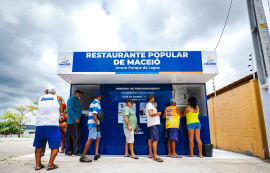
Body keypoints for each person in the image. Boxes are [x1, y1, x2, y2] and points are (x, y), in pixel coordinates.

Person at [33, 86, 63, 170]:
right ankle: (50, 164)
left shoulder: (40, 98)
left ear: (46, 91)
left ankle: (38, 165)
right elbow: (61, 110)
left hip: (40, 124)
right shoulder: (57, 97)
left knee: (38, 146)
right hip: (52, 124)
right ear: (54, 92)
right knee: (55, 146)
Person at [80, 91, 102, 162]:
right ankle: (83, 156)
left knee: (98, 137)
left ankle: (96, 154)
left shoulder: (92, 103)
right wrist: (97, 125)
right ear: (99, 96)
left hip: (93, 123)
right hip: (94, 124)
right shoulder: (96, 103)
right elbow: (94, 115)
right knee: (90, 139)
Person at [66, 90, 88, 157]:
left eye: (81, 94)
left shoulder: (75, 100)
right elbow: (69, 109)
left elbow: (77, 111)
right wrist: (75, 118)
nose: (80, 95)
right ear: (76, 93)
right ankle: (75, 152)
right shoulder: (71, 99)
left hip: (73, 121)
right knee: (77, 136)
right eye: (79, 94)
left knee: (71, 137)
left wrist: (83, 115)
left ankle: (69, 152)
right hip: (73, 122)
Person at [145, 94, 163, 162]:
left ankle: (150, 154)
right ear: (151, 98)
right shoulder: (149, 105)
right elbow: (150, 113)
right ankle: (155, 155)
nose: (154, 99)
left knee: (150, 139)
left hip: (151, 124)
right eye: (153, 98)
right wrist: (158, 113)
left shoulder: (149, 104)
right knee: (155, 139)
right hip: (153, 124)